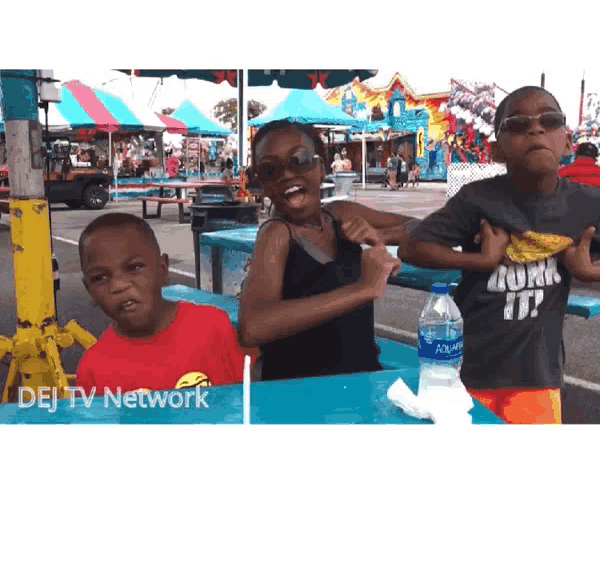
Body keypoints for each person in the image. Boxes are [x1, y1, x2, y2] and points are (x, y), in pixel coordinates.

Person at [398, 86, 600, 424]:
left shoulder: (589, 204)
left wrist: (591, 272)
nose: (535, 129)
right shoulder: (477, 199)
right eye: (517, 124)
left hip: (537, 379)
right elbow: (413, 247)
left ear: (567, 141)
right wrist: (480, 261)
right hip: (468, 374)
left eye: (549, 120)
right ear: (497, 150)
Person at [238, 120, 419, 382]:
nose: (287, 174)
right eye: (270, 169)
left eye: (299, 159)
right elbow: (252, 327)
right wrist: (362, 289)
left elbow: (423, 227)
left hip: (359, 379)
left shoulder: (341, 213)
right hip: (300, 390)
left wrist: (379, 235)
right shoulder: (276, 234)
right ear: (262, 184)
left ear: (321, 166)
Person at [76, 213, 246, 394]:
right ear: (89, 290)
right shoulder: (93, 368)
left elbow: (242, 402)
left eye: (134, 267)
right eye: (99, 278)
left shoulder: (214, 325)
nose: (119, 286)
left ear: (163, 269)